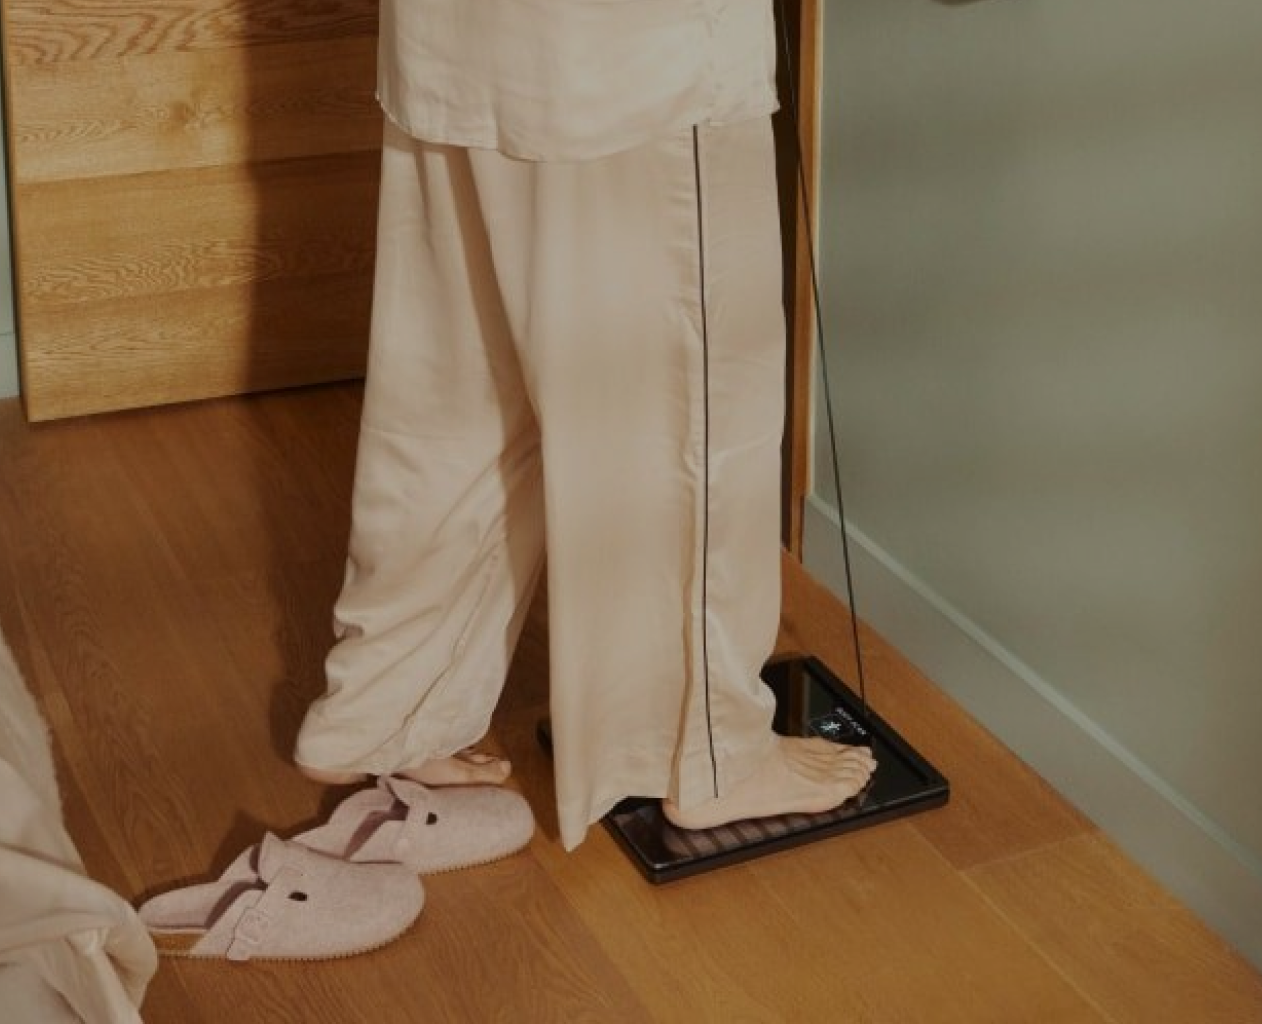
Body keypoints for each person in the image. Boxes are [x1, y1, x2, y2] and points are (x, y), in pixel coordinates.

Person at [291, 0, 875, 848]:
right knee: (685, 412)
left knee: (462, 395)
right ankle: (700, 756)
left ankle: (387, 707)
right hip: (628, 60)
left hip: (456, 40)